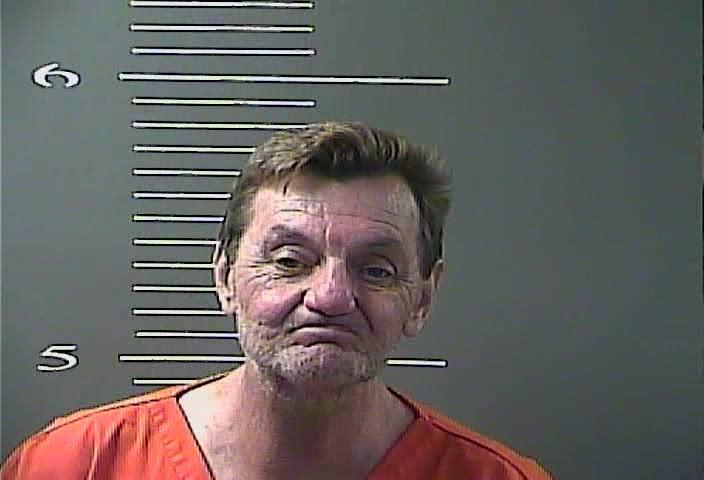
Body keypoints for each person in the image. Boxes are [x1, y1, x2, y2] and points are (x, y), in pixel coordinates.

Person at [1, 122, 553, 479]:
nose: (331, 297)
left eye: (375, 270)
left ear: (423, 299)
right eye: (289, 261)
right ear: (225, 278)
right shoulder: (73, 465)